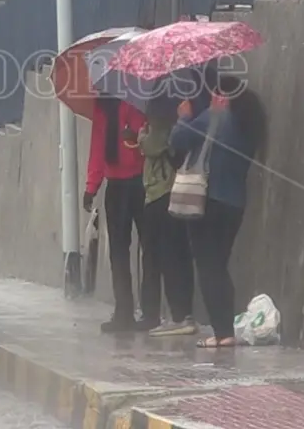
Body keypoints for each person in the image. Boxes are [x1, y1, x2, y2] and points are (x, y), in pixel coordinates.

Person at [169, 74, 266, 349]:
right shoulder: (248, 125)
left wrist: (184, 116)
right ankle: (226, 331)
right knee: (219, 266)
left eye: (214, 94)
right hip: (234, 204)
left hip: (206, 202)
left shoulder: (214, 118)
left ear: (222, 96)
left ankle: (222, 332)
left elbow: (177, 139)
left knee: (208, 267)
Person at [84, 96, 148, 333]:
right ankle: (124, 311)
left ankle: (150, 312)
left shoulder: (138, 100)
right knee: (119, 252)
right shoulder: (101, 108)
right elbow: (97, 148)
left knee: (150, 247)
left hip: (141, 180)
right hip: (116, 185)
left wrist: (134, 137)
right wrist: (91, 187)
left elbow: (146, 137)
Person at [135, 97, 197, 336]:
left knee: (163, 256)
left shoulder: (162, 126)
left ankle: (175, 315)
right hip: (173, 195)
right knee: (179, 254)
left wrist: (141, 137)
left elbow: (152, 146)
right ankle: (183, 312)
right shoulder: (175, 122)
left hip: (161, 195)